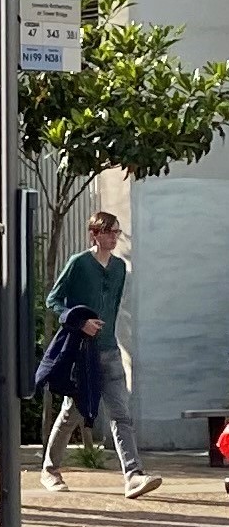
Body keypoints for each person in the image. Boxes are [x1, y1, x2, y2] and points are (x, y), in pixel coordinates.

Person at [41, 211, 161, 500]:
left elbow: (114, 306)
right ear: (94, 234)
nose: (113, 237)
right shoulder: (78, 264)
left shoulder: (120, 267)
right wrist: (79, 321)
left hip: (109, 350)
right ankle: (49, 469)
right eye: (107, 232)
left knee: (121, 413)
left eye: (116, 232)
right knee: (73, 412)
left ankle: (133, 475)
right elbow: (53, 300)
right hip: (83, 352)